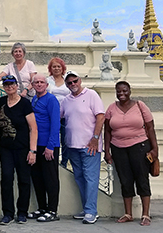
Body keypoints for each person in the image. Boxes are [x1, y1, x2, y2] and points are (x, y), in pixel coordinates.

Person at [104, 81, 159, 227]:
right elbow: (107, 131)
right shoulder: (111, 108)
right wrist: (107, 151)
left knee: (142, 178)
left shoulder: (140, 106)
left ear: (130, 91)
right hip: (118, 148)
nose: (122, 94)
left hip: (139, 146)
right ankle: (128, 213)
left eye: (124, 91)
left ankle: (145, 214)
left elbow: (150, 128)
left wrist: (155, 149)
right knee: (125, 180)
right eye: (119, 91)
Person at [60, 71, 105, 224]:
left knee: (90, 178)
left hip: (90, 145)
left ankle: (92, 211)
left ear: (80, 80)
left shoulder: (91, 94)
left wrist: (96, 138)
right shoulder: (66, 100)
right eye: (69, 83)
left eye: (75, 81)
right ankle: (87, 209)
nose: (73, 84)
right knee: (79, 177)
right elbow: (59, 117)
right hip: (72, 145)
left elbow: (100, 117)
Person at [0, 75, 38, 225]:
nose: (9, 87)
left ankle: (22, 212)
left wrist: (32, 151)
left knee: (23, 180)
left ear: (16, 85)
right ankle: (8, 212)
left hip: (22, 147)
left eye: (11, 84)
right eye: (6, 84)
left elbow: (33, 128)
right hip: (6, 148)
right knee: (6, 178)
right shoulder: (1, 102)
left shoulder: (25, 104)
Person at [28, 74, 61, 222]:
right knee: (38, 178)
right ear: (33, 85)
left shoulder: (51, 100)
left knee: (51, 179)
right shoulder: (34, 99)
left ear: (46, 85)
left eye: (42, 82)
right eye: (36, 82)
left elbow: (55, 124)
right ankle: (42, 207)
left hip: (49, 145)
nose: (39, 84)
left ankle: (52, 210)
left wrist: (50, 146)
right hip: (36, 144)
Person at [46, 57, 71, 167]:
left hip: (66, 114)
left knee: (66, 139)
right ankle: (54, 160)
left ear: (62, 68)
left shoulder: (68, 79)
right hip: (51, 115)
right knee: (53, 137)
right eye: (54, 66)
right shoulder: (47, 80)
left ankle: (64, 162)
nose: (56, 69)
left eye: (58, 66)